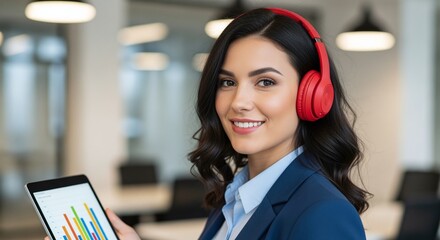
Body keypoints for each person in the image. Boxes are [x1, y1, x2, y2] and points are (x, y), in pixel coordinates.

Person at [45, 7, 370, 240]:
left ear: (313, 96)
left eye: (266, 82)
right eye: (227, 82)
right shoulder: (235, 197)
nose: (238, 102)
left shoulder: (322, 213)